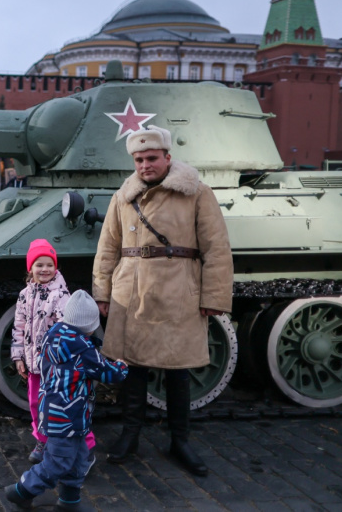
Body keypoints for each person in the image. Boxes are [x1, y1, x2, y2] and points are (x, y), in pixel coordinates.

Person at [92, 125, 233, 477]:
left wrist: (213, 296)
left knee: (177, 373)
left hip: (178, 292)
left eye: (151, 158)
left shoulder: (198, 193)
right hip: (132, 293)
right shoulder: (123, 197)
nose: (144, 165)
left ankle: (180, 440)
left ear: (168, 157)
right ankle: (130, 434)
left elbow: (217, 248)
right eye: (138, 159)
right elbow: (108, 247)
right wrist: (102, 293)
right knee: (133, 369)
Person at [5, 291, 128, 511]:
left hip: (58, 413)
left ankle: (69, 501)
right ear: (90, 325)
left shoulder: (53, 334)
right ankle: (21, 491)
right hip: (66, 418)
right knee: (58, 462)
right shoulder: (83, 350)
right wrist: (121, 365)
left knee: (79, 459)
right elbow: (109, 374)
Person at [11, 239, 96, 465]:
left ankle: (87, 445)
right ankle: (43, 439)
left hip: (56, 367)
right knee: (36, 404)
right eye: (39, 265)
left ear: (56, 267)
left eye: (49, 264)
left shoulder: (61, 296)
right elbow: (18, 326)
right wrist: (18, 356)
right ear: (31, 268)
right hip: (34, 364)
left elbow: (68, 331)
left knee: (67, 405)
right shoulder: (24, 294)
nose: (45, 269)